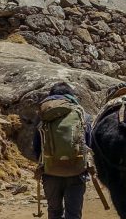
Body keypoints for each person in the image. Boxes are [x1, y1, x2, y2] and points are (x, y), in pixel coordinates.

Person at [33, 82, 92, 219]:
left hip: (50, 171)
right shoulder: (83, 115)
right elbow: (88, 144)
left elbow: (36, 147)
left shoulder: (43, 115)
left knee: (54, 211)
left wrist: (46, 162)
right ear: (71, 95)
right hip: (76, 171)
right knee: (73, 213)